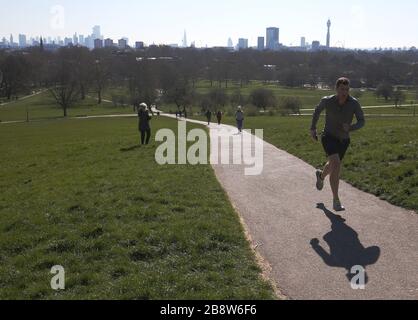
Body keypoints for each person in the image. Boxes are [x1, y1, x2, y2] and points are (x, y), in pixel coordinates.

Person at [310, 77, 365, 212]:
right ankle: (336, 200)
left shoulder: (354, 103)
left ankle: (321, 176)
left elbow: (362, 121)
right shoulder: (327, 101)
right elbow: (317, 111)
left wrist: (351, 127)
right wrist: (313, 128)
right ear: (336, 89)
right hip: (328, 137)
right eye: (341, 89)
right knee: (336, 164)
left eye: (346, 89)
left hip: (344, 140)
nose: (344, 92)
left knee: (333, 164)